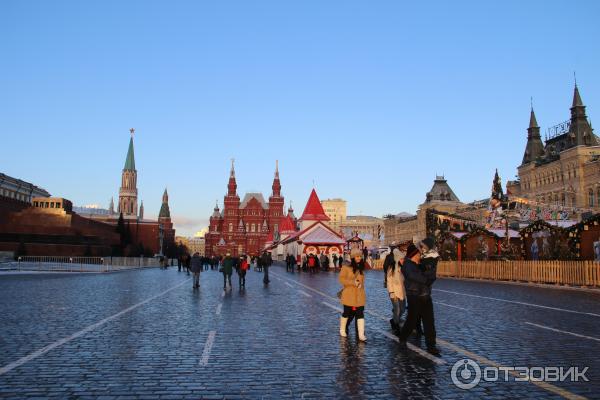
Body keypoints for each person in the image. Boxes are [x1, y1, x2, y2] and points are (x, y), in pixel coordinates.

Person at [397, 240, 441, 356]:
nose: (420, 255)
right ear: (413, 255)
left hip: (425, 296)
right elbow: (416, 277)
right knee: (411, 321)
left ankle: (431, 346)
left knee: (429, 322)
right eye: (418, 254)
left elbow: (430, 277)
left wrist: (432, 267)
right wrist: (427, 278)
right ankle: (403, 338)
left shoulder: (421, 264)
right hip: (414, 297)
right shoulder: (407, 265)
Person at [338, 248, 367, 342]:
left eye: (360, 256)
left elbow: (362, 282)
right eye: (357, 256)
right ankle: (342, 329)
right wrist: (353, 282)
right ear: (353, 257)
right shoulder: (346, 267)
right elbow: (341, 279)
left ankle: (361, 334)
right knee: (347, 313)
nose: (359, 258)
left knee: (360, 314)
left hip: (359, 295)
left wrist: (361, 286)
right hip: (349, 295)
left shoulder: (361, 267)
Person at [386, 247, 406, 335]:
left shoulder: (403, 268)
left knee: (402, 309)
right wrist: (391, 292)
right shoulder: (392, 268)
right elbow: (389, 281)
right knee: (397, 310)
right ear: (398, 259)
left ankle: (394, 320)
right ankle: (396, 327)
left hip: (402, 292)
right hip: (394, 293)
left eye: (403, 259)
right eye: (401, 259)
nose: (403, 260)